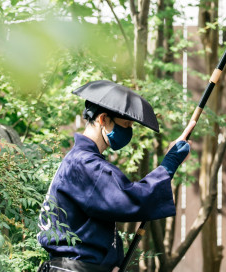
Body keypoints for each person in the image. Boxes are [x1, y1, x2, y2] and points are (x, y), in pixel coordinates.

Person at [37, 80, 193, 272]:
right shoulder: (85, 163)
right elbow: (131, 200)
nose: (128, 131)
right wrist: (169, 164)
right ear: (103, 119)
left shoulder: (81, 160)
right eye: (126, 123)